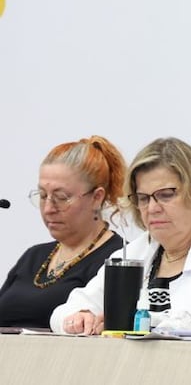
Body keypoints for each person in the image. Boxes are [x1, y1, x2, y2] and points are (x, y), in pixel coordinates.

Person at [50, 137, 191, 336]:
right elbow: (62, 313)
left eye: (165, 195)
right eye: (143, 198)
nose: (153, 208)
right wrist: (80, 317)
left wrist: (145, 322)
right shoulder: (134, 253)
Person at [0, 137, 126, 328]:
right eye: (43, 196)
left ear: (97, 197)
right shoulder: (34, 256)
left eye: (61, 197)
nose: (48, 208)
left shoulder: (119, 260)